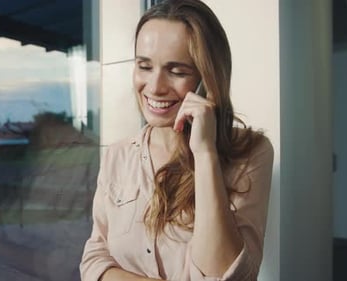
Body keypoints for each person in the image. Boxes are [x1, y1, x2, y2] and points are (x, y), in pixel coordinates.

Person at [80, 0, 274, 280]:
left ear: (208, 79)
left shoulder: (252, 153)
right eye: (144, 66)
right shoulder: (117, 155)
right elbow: (94, 261)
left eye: (177, 71)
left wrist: (205, 153)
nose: (155, 87)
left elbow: (230, 275)